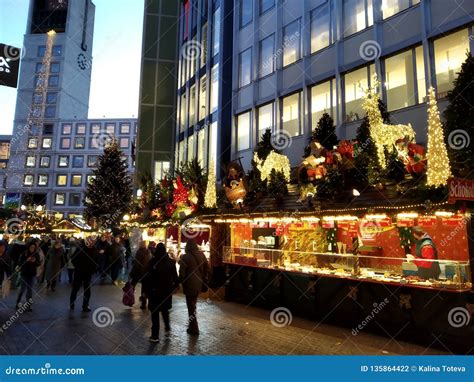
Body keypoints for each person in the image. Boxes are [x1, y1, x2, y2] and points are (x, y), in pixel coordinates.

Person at [143, 243, 178, 342]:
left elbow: (147, 278)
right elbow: (175, 277)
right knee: (165, 310)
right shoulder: (171, 263)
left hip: (154, 292)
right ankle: (167, 328)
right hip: (166, 292)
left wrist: (145, 291)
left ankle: (155, 335)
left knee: (155, 313)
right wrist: (175, 286)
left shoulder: (152, 262)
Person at [178, 239, 209, 335]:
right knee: (193, 305)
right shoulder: (202, 255)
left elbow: (182, 273)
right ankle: (192, 326)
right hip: (198, 284)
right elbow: (207, 268)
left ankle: (194, 328)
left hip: (189, 285)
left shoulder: (185, 257)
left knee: (191, 307)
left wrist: (180, 283)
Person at [70, 236, 98, 312]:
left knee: (87, 290)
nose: (91, 243)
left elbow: (96, 260)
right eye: (90, 241)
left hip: (88, 273)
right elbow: (73, 258)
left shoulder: (94, 249)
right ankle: (72, 303)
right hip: (79, 272)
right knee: (75, 288)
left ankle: (85, 306)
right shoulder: (80, 249)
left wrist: (94, 268)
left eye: (93, 241)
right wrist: (78, 267)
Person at [16, 241, 41, 311]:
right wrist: (26, 260)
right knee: (22, 290)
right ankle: (18, 303)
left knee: (30, 291)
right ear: (29, 247)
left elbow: (38, 263)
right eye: (31, 247)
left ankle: (28, 306)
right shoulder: (24, 253)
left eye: (33, 247)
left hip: (32, 274)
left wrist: (35, 261)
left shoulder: (36, 254)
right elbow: (19, 263)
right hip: (24, 273)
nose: (32, 249)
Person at [129, 240, 152, 310]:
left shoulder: (139, 252)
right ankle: (144, 304)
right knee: (144, 288)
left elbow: (136, 264)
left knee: (132, 286)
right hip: (146, 273)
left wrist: (132, 272)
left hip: (138, 272)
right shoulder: (148, 252)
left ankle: (130, 300)